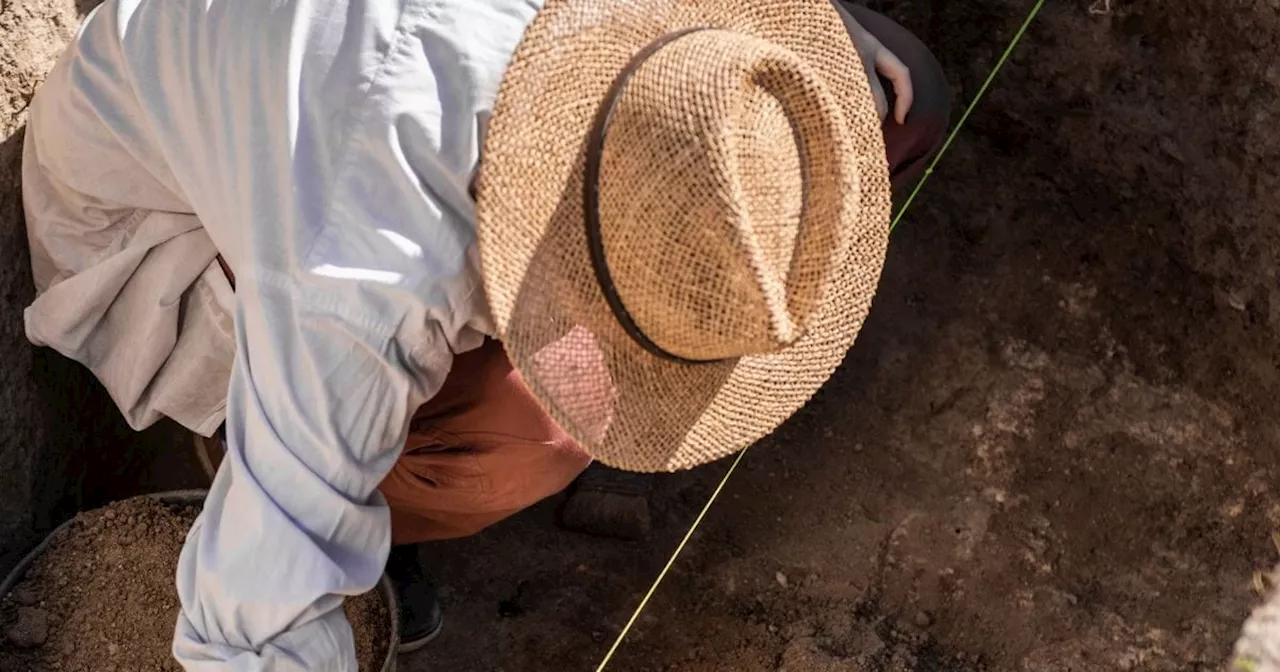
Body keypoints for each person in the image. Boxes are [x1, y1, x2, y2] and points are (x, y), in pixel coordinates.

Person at [19, 0, 950, 667]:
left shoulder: (626, 52)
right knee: (539, 434)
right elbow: (240, 632)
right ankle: (250, 451)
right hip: (154, 230)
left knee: (898, 101)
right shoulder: (366, 276)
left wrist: (801, 28)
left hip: (293, 130)